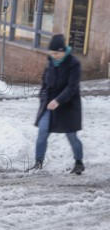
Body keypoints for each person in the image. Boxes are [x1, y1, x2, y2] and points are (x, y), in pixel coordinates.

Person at [30, 34, 84, 174]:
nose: (54, 56)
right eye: (51, 53)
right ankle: (38, 163)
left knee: (71, 135)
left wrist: (58, 100)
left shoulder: (73, 63)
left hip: (68, 106)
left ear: (63, 50)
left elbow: (72, 87)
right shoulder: (50, 63)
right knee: (42, 131)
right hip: (50, 104)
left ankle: (79, 162)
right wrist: (43, 96)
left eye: (56, 53)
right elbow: (44, 83)